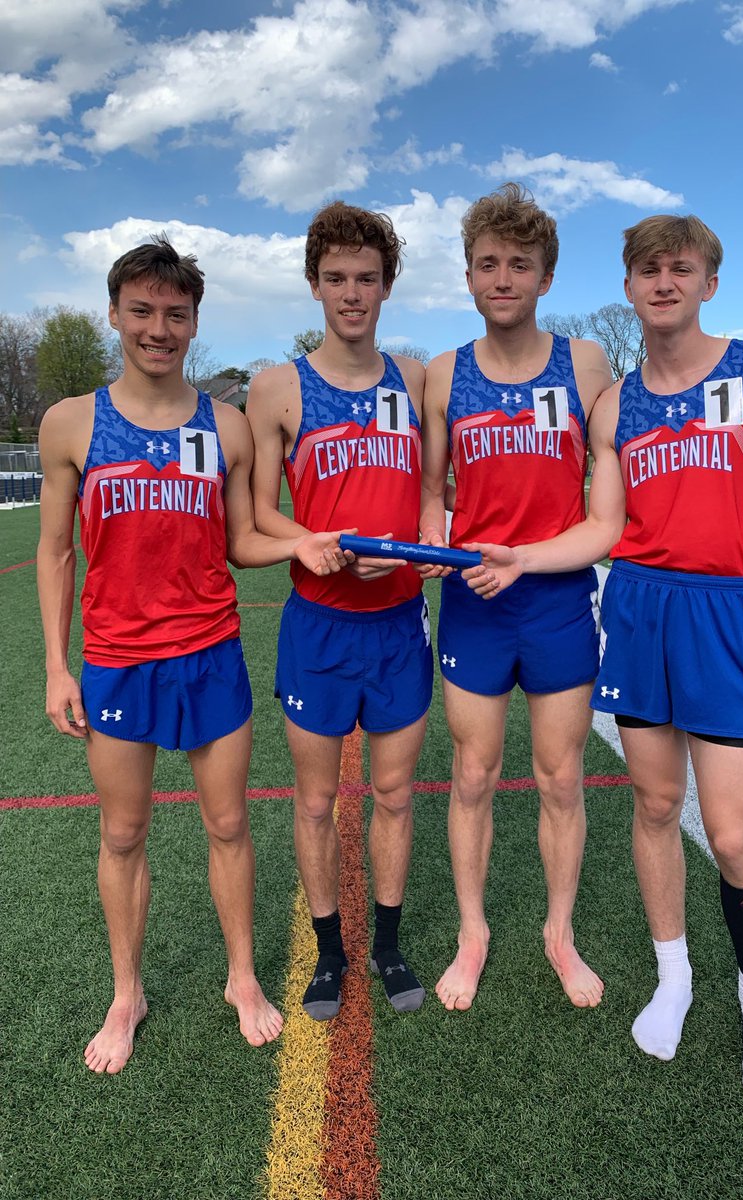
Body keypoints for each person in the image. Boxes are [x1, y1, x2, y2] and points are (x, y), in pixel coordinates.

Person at [463, 214, 743, 1093]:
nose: (663, 283)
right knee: (656, 806)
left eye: (681, 268)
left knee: (733, 834)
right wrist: (522, 556)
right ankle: (674, 979)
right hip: (636, 611)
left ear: (708, 282)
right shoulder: (615, 404)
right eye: (648, 271)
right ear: (627, 287)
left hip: (726, 613)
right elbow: (603, 526)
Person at [36, 235, 315, 1073]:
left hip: (210, 654)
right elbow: (55, 552)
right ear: (116, 314)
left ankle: (240, 977)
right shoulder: (70, 422)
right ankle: (128, 992)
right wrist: (57, 665)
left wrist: (310, 544)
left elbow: (243, 541)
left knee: (229, 823)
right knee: (123, 835)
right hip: (118, 661)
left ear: (194, 322)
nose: (159, 328)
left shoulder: (225, 427)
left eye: (176, 314)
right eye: (143, 311)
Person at [419, 182, 613, 1011]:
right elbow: (432, 489)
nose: (504, 277)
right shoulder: (443, 373)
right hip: (475, 603)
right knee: (472, 774)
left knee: (561, 778)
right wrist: (437, 542)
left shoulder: (586, 365)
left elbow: (606, 517)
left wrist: (525, 560)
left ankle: (557, 932)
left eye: (520, 265)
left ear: (545, 278)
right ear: (468, 276)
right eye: (489, 264)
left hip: (556, 599)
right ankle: (474, 932)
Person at [246, 202, 431, 1020]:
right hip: (319, 625)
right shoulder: (277, 387)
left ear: (387, 285)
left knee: (393, 796)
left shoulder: (416, 378)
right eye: (336, 279)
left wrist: (422, 547)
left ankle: (387, 945)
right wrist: (309, 539)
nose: (351, 294)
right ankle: (330, 953)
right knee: (317, 801)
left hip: (397, 622)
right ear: (314, 284)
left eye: (366, 279)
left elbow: (431, 498)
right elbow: (257, 514)